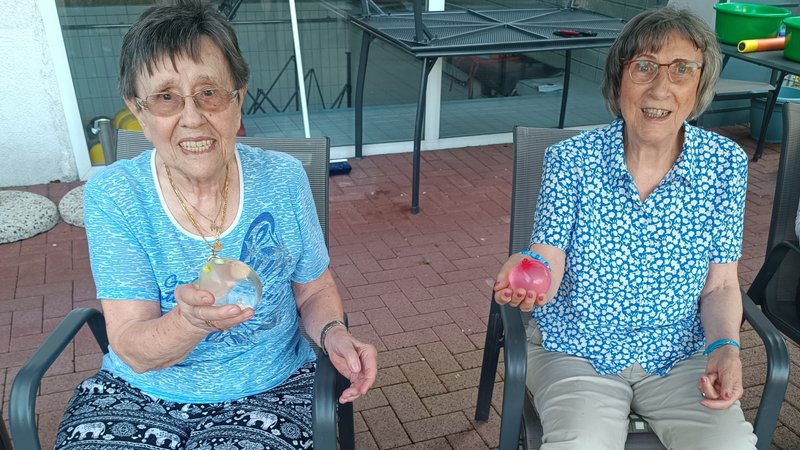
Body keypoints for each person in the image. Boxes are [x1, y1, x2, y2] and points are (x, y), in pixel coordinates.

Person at [55, 1, 377, 448]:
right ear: (138, 110)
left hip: (270, 389)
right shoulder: (115, 195)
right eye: (166, 97)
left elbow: (315, 288)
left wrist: (334, 333)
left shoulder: (283, 179)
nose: (192, 117)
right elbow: (130, 345)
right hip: (141, 393)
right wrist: (190, 322)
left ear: (238, 100)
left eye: (209, 92)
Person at [493, 7, 757, 449]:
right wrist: (530, 272)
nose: (660, 87)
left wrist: (724, 348)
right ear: (619, 78)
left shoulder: (725, 166)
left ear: (700, 85)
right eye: (644, 67)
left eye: (681, 70)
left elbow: (721, 285)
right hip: (575, 350)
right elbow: (548, 258)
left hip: (681, 357)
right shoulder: (571, 160)